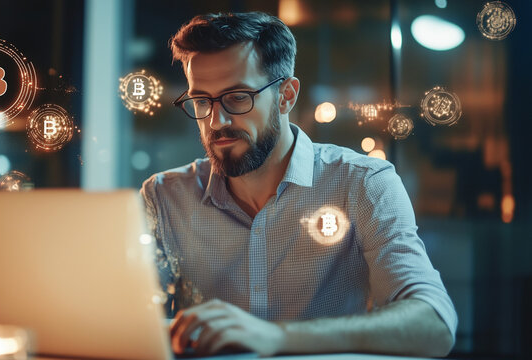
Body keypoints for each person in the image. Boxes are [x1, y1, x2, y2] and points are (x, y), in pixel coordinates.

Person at [141, 11, 457, 357]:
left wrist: (278, 337)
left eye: (237, 97)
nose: (217, 121)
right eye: (202, 101)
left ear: (286, 96)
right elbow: (126, 317)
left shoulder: (362, 183)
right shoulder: (164, 196)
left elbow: (434, 325)